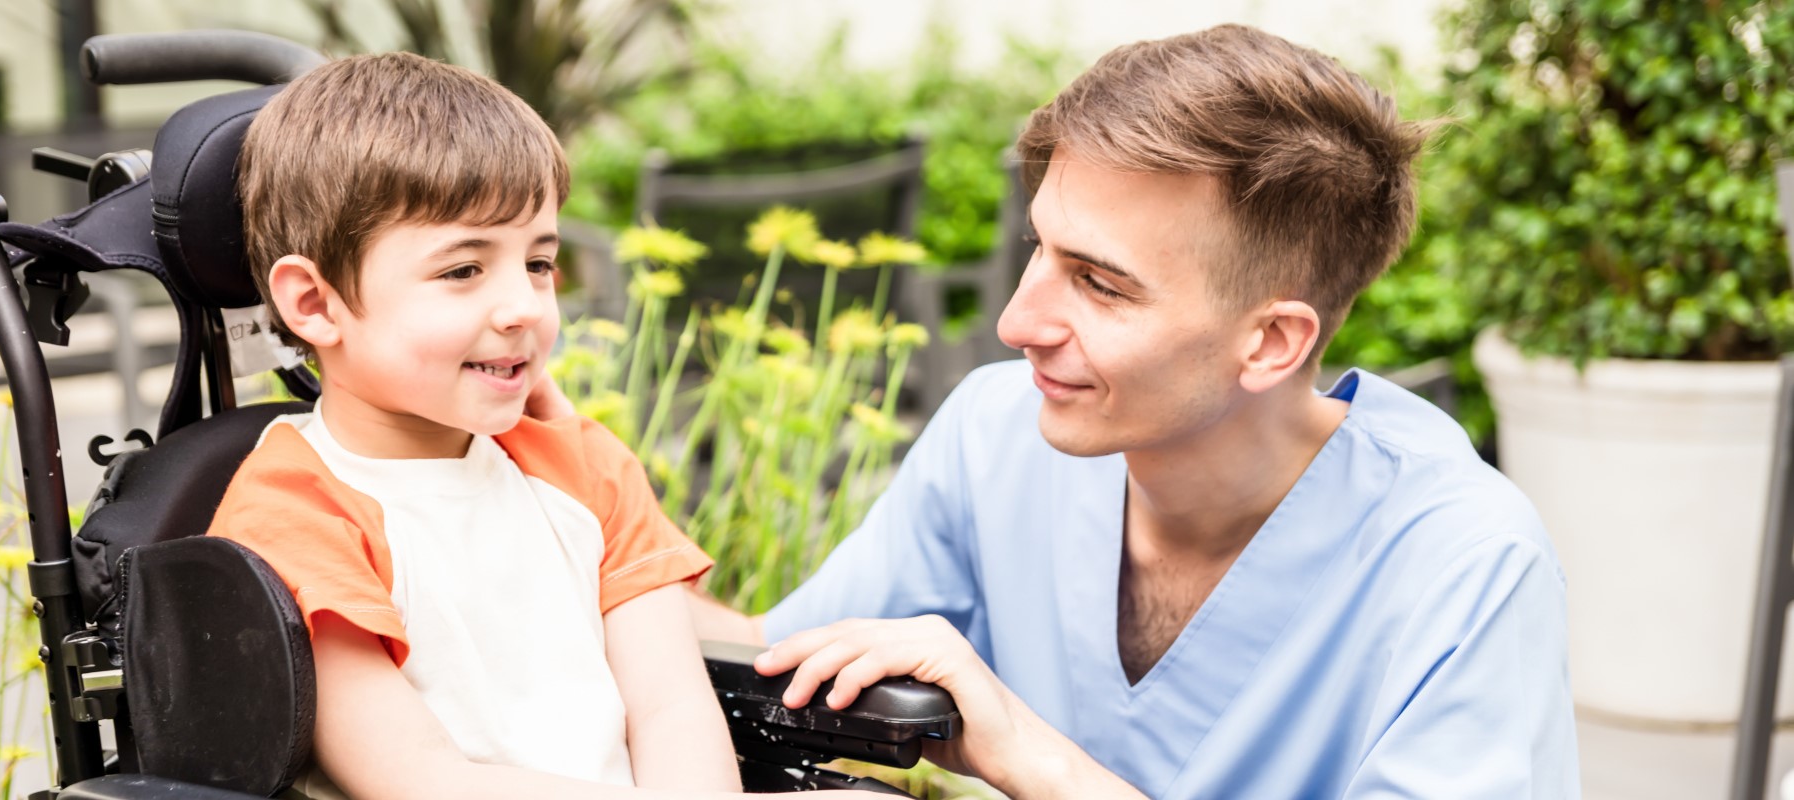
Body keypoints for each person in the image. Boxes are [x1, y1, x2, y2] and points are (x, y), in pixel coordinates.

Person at [675, 25, 1581, 798]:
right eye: (1040, 249)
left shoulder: (1467, 566)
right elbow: (767, 662)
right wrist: (571, 493)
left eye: (1101, 285)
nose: (1016, 322)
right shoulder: (998, 432)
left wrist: (1036, 762)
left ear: (1270, 342)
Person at [205, 53, 880, 800]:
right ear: (314, 303)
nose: (524, 306)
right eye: (464, 270)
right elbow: (418, 780)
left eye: (539, 263)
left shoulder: (585, 469)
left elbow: (671, 711)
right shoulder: (296, 512)